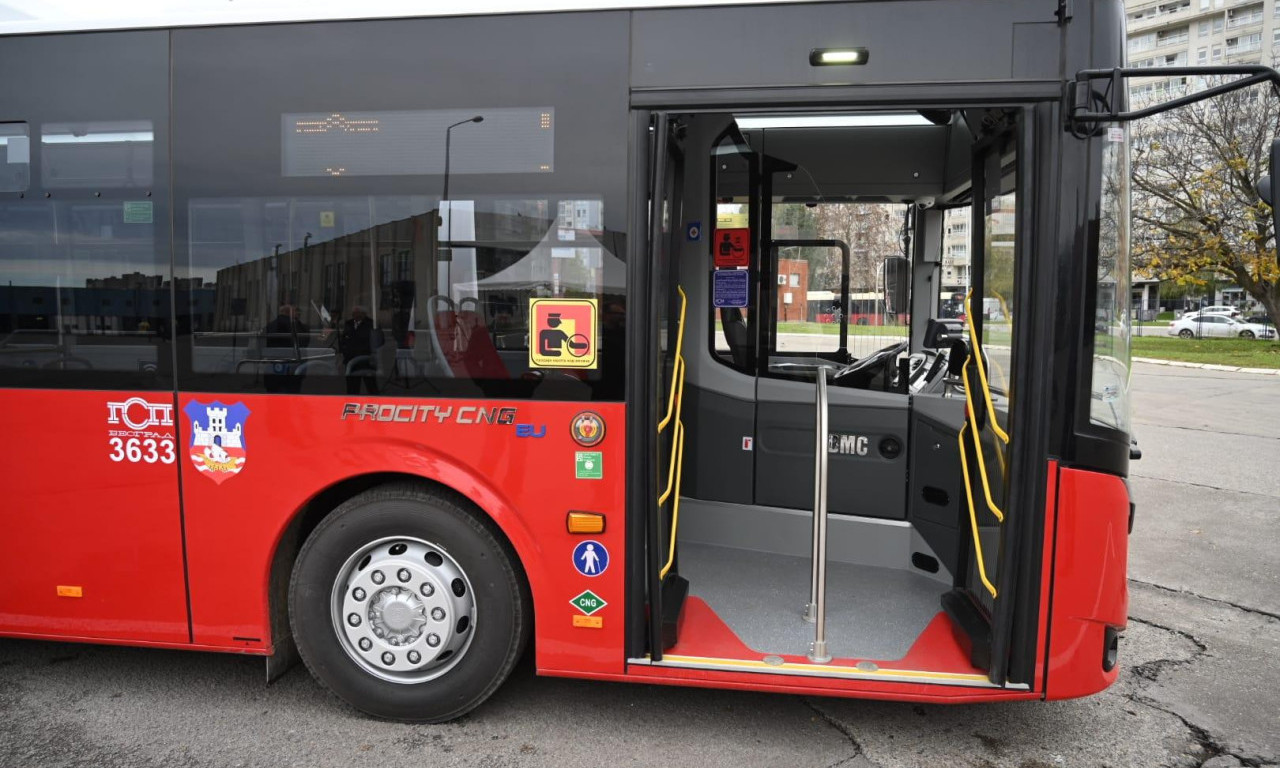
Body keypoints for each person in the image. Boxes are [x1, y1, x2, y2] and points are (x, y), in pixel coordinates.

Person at [339, 305, 382, 394]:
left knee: (371, 385)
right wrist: (344, 351)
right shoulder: (349, 323)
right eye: (353, 313)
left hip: (366, 360)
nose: (354, 315)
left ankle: (375, 402)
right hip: (351, 360)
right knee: (352, 387)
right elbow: (343, 339)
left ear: (363, 314)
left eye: (357, 312)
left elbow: (380, 340)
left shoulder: (371, 324)